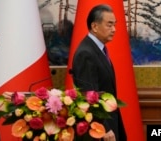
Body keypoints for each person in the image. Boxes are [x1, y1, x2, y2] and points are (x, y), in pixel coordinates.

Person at [71, 4, 127, 141]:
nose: (114, 29)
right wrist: (104, 128)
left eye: (115, 25)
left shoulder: (98, 50)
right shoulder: (86, 53)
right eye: (109, 25)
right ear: (95, 26)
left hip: (109, 121)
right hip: (98, 131)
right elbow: (89, 96)